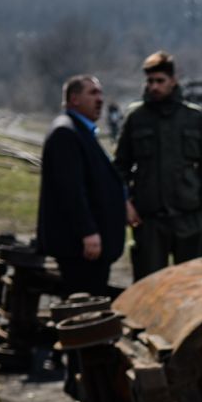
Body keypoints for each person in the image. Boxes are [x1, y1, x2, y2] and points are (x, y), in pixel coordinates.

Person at [113, 50, 202, 282]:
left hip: (188, 216)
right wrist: (126, 203)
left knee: (193, 283)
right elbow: (120, 165)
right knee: (149, 286)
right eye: (150, 81)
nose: (155, 87)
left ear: (173, 80)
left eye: (160, 81)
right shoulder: (136, 118)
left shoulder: (193, 117)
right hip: (150, 220)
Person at [36, 73, 130, 292]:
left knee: (91, 300)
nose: (100, 99)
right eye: (93, 93)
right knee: (85, 301)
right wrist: (87, 232)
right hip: (79, 246)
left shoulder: (78, 129)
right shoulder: (65, 132)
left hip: (87, 245)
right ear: (74, 99)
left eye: (101, 93)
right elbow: (71, 190)